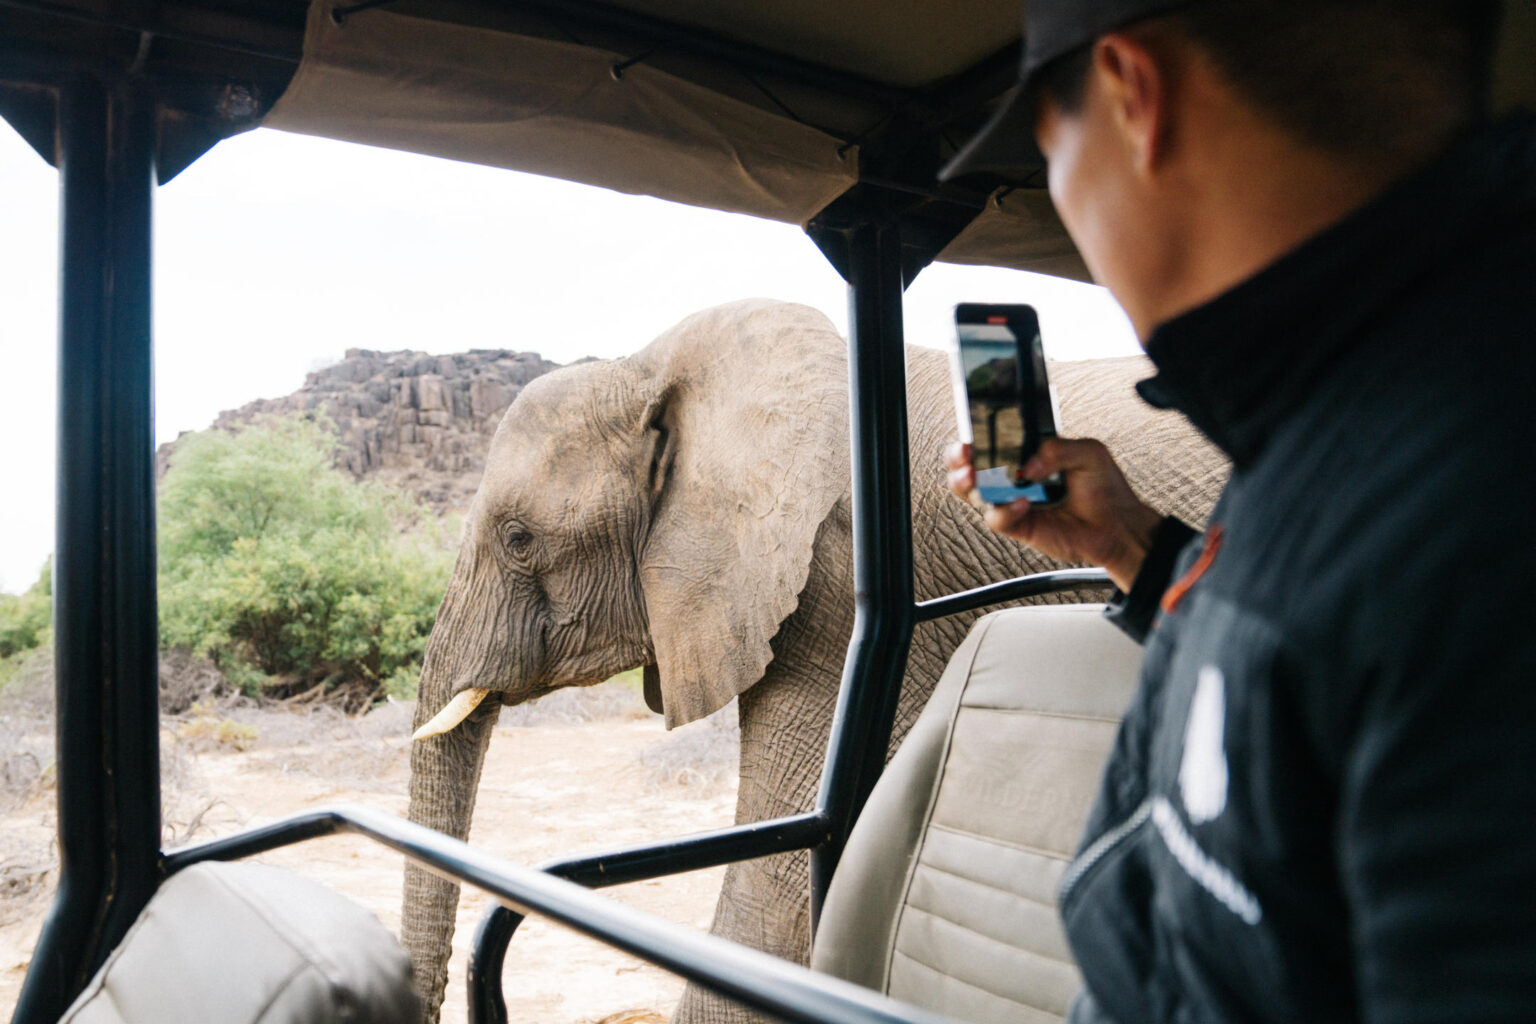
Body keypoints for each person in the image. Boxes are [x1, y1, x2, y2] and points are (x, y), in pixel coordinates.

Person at [940, 1, 1536, 1021]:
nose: (1066, 205)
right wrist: (1130, 544)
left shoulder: (1465, 498)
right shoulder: (1360, 399)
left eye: (1050, 155)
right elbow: (1324, 659)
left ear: (1134, 97)